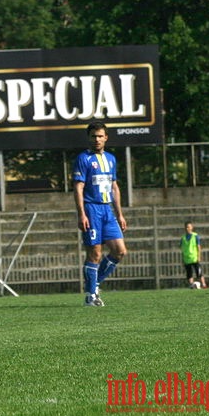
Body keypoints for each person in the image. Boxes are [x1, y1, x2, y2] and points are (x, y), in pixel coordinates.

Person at [73, 121, 128, 307]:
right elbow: (78, 187)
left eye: (100, 136)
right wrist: (82, 214)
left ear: (106, 138)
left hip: (107, 210)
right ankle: (91, 295)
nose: (97, 139)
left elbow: (114, 187)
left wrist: (119, 214)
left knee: (120, 251)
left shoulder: (111, 159)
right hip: (91, 209)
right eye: (93, 136)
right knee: (95, 253)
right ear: (89, 138)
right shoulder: (83, 158)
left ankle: (94, 282)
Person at [181, 222, 208, 289]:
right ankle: (192, 285)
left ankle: (204, 284)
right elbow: (182, 249)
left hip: (194, 258)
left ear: (192, 227)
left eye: (189, 227)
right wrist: (182, 259)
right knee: (189, 274)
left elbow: (198, 247)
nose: (187, 228)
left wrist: (199, 256)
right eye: (186, 227)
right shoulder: (183, 238)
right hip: (187, 259)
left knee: (199, 272)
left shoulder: (195, 236)